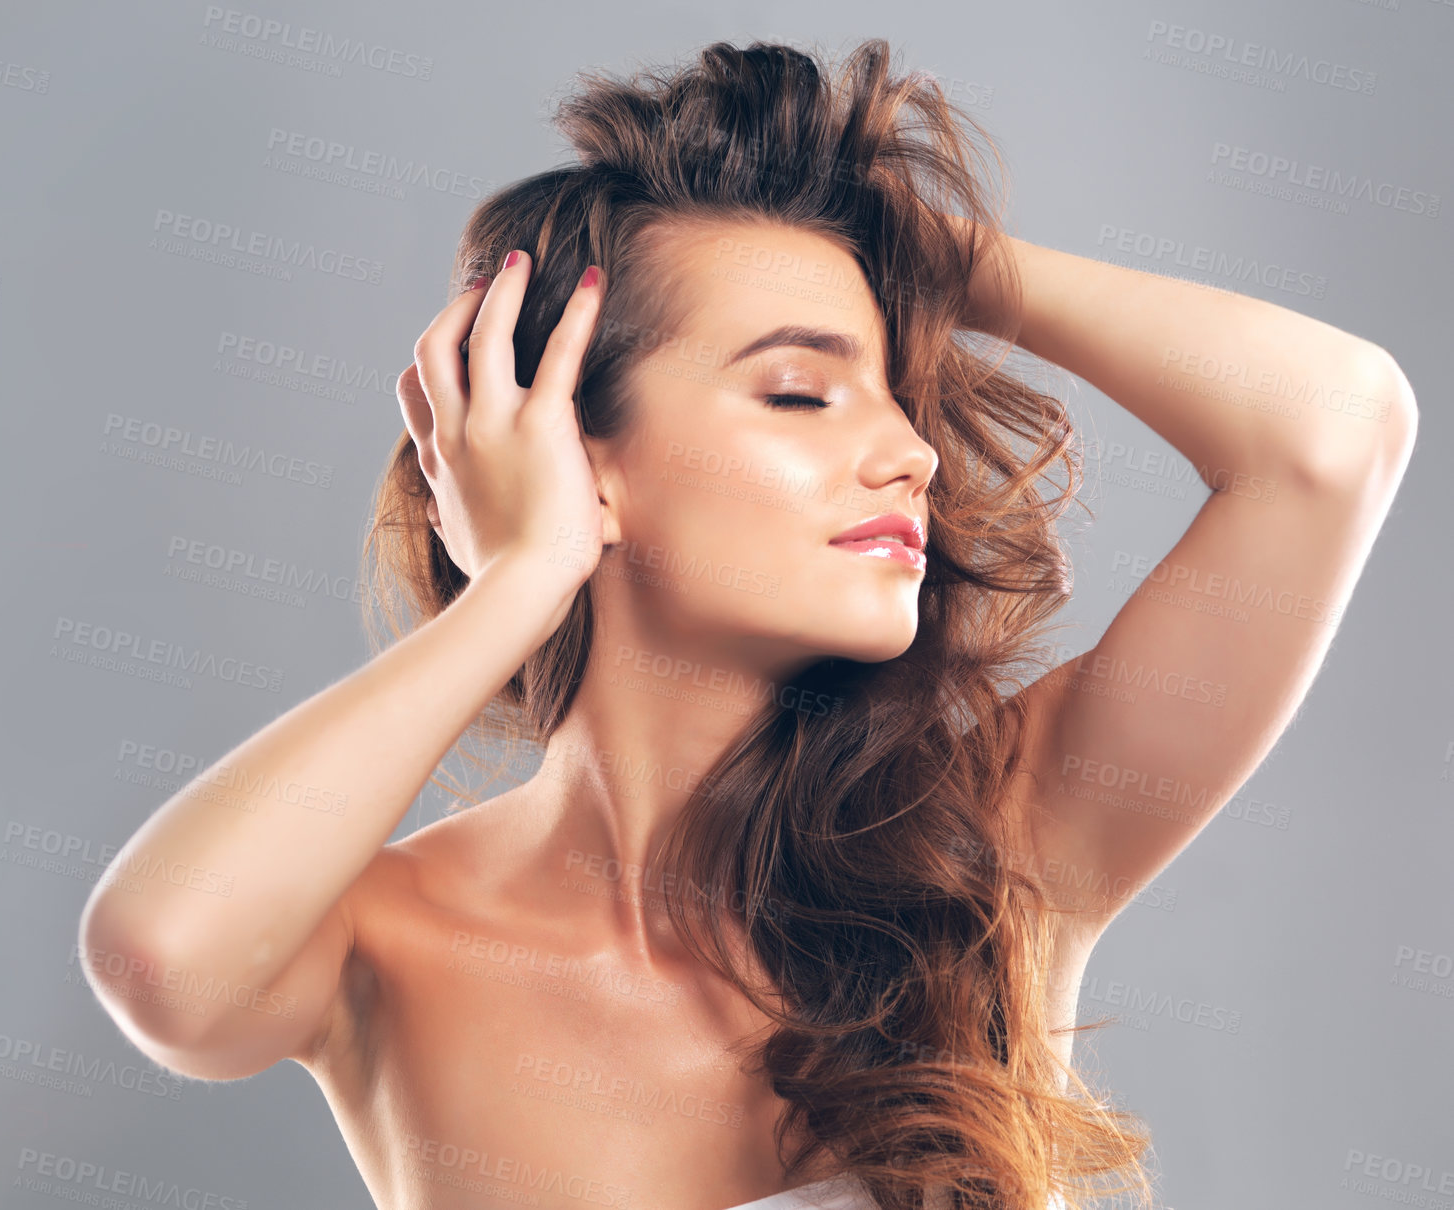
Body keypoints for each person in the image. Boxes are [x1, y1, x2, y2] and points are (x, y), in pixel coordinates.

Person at [77, 38, 1418, 1210]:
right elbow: (161, 956)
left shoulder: (995, 845)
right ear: (577, 454)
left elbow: (1331, 429)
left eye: (899, 395)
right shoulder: (393, 935)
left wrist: (911, 244)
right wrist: (522, 580)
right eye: (801, 393)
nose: (910, 453)